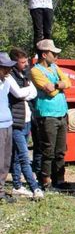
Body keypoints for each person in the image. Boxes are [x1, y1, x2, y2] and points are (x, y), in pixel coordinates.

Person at [30, 39, 72, 190]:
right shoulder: (35, 71)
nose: (56, 56)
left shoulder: (55, 67)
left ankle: (59, 179)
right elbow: (50, 91)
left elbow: (68, 82)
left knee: (60, 150)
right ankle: (45, 180)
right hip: (47, 114)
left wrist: (56, 85)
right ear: (44, 54)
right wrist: (58, 85)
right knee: (48, 150)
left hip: (61, 113)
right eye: (53, 53)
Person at [8, 49, 43, 199]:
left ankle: (17, 185)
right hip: (16, 122)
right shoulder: (9, 76)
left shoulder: (24, 75)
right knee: (23, 155)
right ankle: (34, 187)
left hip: (27, 121)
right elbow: (19, 94)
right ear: (15, 62)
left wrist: (26, 91)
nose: (26, 64)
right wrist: (27, 91)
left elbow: (33, 93)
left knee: (16, 156)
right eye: (23, 62)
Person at [1, 52, 33, 203]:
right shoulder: (8, 80)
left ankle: (4, 190)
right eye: (4, 68)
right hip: (4, 125)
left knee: (7, 160)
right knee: (4, 159)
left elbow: (28, 93)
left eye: (9, 68)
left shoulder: (6, 81)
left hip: (10, 123)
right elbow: (20, 94)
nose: (8, 71)